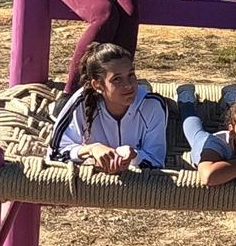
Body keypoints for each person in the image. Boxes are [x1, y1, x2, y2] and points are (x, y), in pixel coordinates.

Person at [47, 42, 166, 174]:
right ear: (97, 85)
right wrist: (92, 149)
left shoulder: (152, 105)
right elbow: (54, 154)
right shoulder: (81, 102)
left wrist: (134, 155)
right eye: (117, 79)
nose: (128, 85)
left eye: (131, 75)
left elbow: (157, 161)